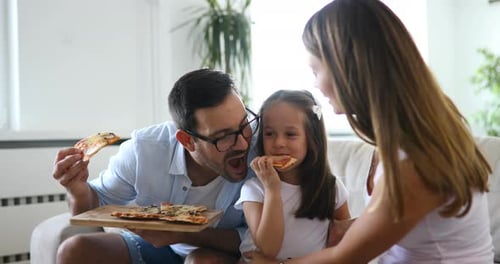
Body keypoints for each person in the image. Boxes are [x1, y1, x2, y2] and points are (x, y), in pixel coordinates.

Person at [245, 0, 494, 263]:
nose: (316, 83)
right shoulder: (413, 131)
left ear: (345, 66)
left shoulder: (417, 160)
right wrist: (351, 226)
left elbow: (346, 258)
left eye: (316, 69)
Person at [52, 68, 258, 264]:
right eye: (223, 137)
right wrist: (77, 190)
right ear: (187, 141)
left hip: (220, 253)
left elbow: (267, 239)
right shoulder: (145, 151)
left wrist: (184, 232)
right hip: (161, 249)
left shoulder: (264, 149)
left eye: (244, 124)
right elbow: (88, 209)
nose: (242, 143)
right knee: (75, 250)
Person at [235, 90, 351, 262]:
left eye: (290, 134)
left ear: (312, 139)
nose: (279, 143)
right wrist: (272, 190)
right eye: (269, 133)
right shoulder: (254, 189)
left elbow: (346, 241)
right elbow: (267, 249)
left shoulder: (330, 187)